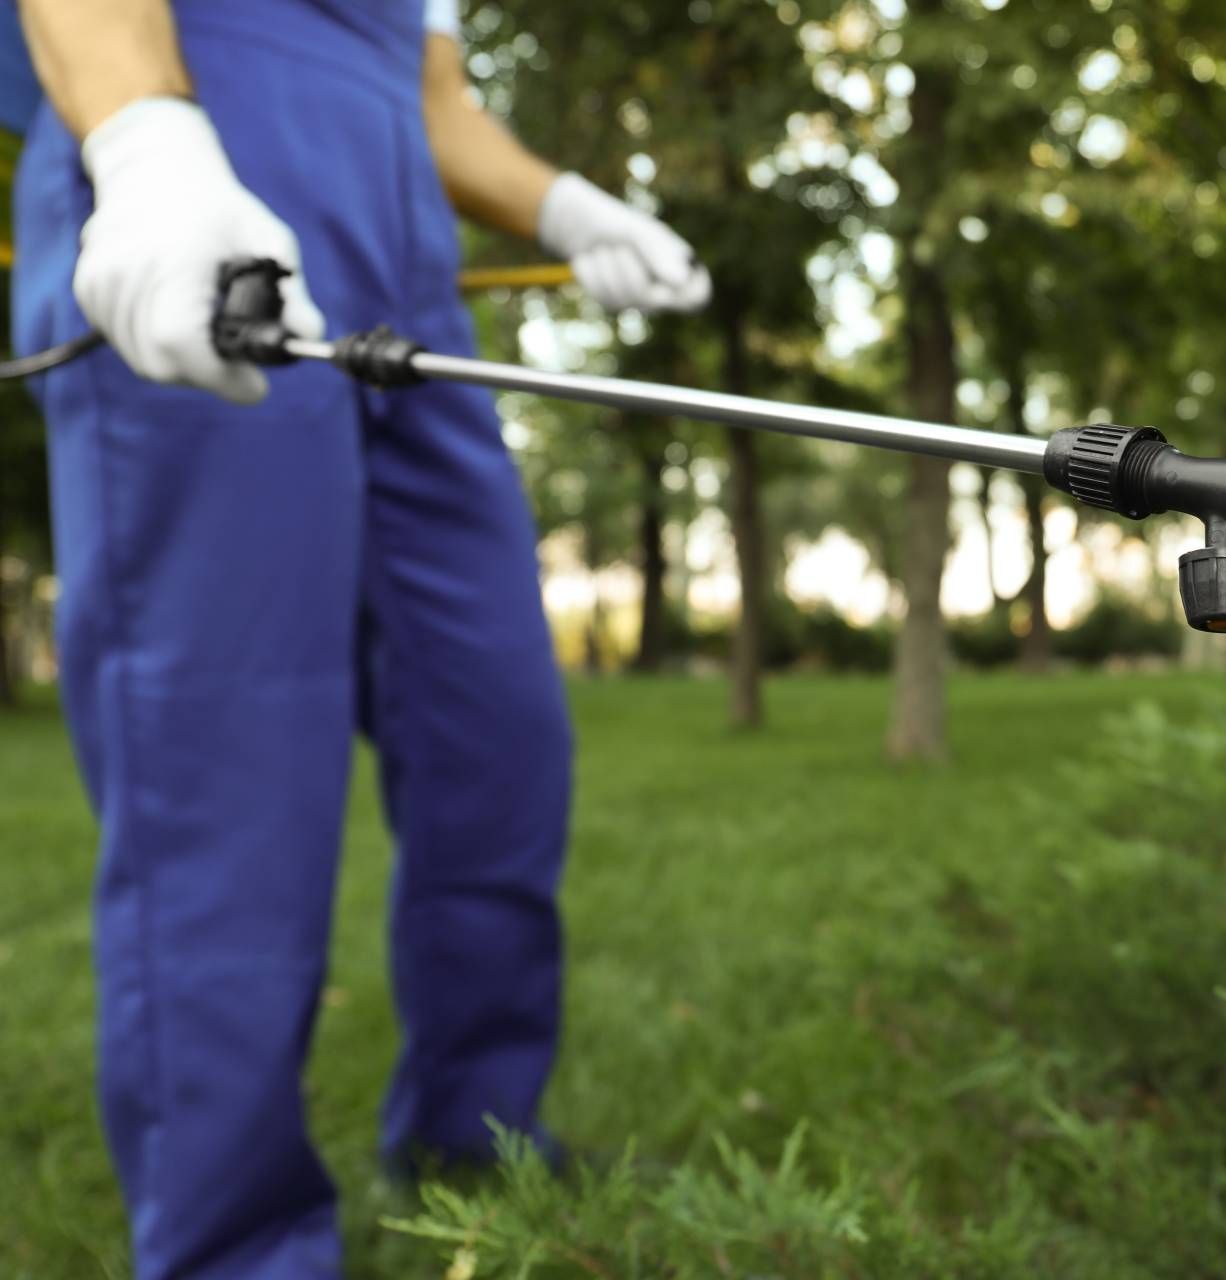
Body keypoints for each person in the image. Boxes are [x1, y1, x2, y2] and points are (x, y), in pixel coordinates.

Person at [6, 0, 710, 1275]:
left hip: (407, 277)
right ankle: (236, 1247)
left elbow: (435, 102)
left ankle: (472, 1139)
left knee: (495, 740)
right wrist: (147, 140)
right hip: (197, 193)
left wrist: (565, 207)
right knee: (224, 783)